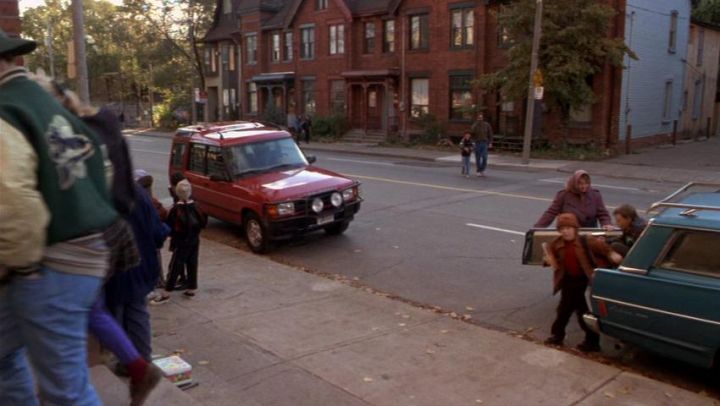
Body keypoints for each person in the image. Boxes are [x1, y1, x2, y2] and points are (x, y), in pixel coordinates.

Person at [29, 69, 164, 405]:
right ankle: (134, 365)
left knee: (91, 307)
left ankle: (131, 366)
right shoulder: (101, 122)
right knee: (106, 305)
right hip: (117, 229)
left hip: (92, 234)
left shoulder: (60, 134)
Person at [0, 30, 116, 405]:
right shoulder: (44, 100)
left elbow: (13, 201)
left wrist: (19, 266)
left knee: (66, 390)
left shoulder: (5, 111)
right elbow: (104, 164)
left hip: (48, 263)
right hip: (82, 252)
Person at [105, 183, 169, 363]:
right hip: (139, 269)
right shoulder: (138, 193)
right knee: (137, 314)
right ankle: (141, 361)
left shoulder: (97, 193)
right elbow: (157, 233)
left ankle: (120, 359)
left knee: (113, 316)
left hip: (111, 272)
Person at [543, 213, 623, 352]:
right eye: (562, 228)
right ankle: (557, 336)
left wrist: (612, 255)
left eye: (569, 228)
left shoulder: (587, 241)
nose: (565, 231)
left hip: (585, 281)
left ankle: (591, 342)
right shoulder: (556, 244)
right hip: (568, 281)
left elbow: (605, 249)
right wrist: (547, 261)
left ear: (575, 228)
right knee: (563, 311)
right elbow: (549, 259)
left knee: (583, 312)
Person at [152, 180, 207, 303]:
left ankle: (166, 293)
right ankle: (191, 288)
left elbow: (169, 226)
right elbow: (203, 223)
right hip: (194, 239)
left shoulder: (175, 209)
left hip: (181, 241)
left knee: (175, 265)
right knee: (192, 263)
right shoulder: (197, 207)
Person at [535, 170, 613, 229]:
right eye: (580, 183)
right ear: (575, 183)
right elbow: (551, 213)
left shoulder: (595, 195)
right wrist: (537, 228)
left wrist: (606, 223)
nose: (584, 186)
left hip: (590, 233)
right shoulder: (563, 195)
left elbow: (602, 213)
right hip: (569, 233)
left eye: (586, 183)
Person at [470, 112, 493, 177]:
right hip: (477, 143)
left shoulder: (487, 125)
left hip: (484, 143)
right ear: (477, 118)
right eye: (479, 118)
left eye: (481, 117)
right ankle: (478, 170)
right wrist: (473, 142)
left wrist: (490, 142)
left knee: (485, 157)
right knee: (478, 158)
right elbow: (471, 134)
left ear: (483, 118)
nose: (480, 119)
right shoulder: (474, 125)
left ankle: (482, 169)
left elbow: (490, 134)